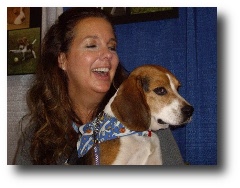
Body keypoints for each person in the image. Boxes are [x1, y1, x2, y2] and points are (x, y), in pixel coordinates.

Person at [13, 7, 184, 165]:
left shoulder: (144, 116)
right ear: (63, 59)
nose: (107, 55)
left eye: (112, 47)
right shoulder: (38, 134)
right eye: (92, 45)